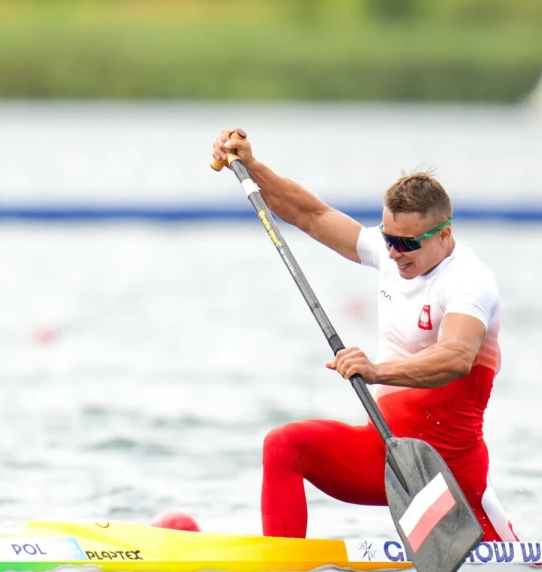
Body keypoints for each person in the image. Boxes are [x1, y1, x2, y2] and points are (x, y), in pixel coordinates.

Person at [211, 128, 518, 543]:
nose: (392, 252)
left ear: (444, 234)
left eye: (406, 243)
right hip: (385, 454)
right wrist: (251, 166)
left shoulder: (469, 281)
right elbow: (311, 215)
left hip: (448, 471)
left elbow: (456, 357)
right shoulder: (393, 253)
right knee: (285, 445)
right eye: (388, 238)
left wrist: (376, 371)